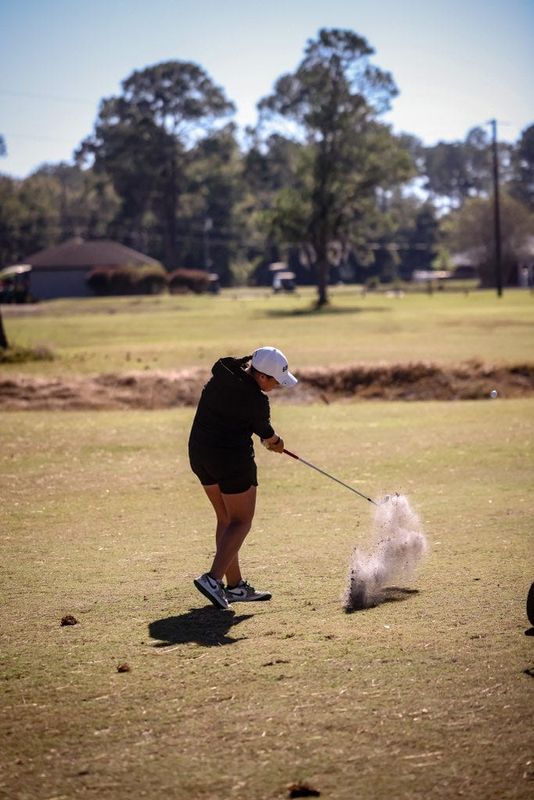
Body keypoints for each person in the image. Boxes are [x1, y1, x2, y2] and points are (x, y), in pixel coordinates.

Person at [189, 346, 297, 609]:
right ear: (261, 376)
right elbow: (267, 435)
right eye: (274, 381)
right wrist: (277, 442)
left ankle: (235, 587)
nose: (276, 386)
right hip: (231, 461)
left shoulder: (223, 375)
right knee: (241, 521)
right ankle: (213, 579)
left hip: (200, 455)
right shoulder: (256, 400)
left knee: (226, 519)